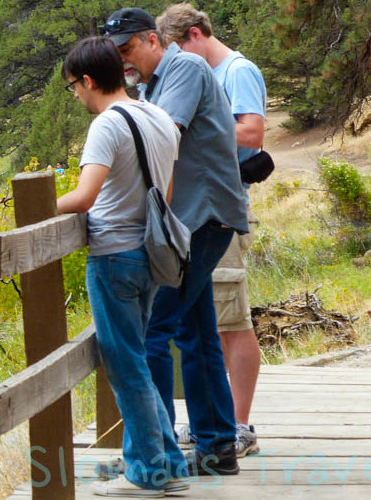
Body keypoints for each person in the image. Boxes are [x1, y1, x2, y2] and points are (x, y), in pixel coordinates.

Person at [102, 7, 249, 476]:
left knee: (150, 332)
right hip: (191, 222)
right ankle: (216, 449)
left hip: (202, 219)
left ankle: (157, 456)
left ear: (151, 39)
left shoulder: (183, 66)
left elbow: (162, 136)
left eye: (126, 49)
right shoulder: (152, 84)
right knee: (196, 333)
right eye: (115, 53)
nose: (123, 60)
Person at [56, 36, 188, 497]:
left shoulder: (106, 125)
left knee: (125, 364)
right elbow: (165, 196)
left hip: (112, 256)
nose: (74, 94)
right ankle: (166, 459)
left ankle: (148, 470)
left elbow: (84, 197)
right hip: (152, 255)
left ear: (89, 80)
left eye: (73, 85)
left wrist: (34, 209)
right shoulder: (158, 117)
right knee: (138, 358)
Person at [156, 2, 268, 459]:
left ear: (197, 34)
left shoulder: (236, 71)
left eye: (179, 47)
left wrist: (201, 125)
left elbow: (253, 132)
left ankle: (238, 424)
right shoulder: (200, 71)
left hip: (219, 209)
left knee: (230, 319)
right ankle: (216, 424)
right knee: (205, 320)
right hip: (198, 209)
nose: (177, 59)